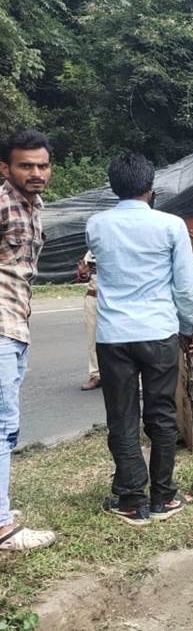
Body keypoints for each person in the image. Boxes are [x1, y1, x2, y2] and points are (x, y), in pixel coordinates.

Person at [87, 152, 193, 526]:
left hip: (113, 335)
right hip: (159, 331)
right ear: (151, 188)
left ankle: (132, 500)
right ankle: (163, 495)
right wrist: (189, 328)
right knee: (161, 414)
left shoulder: (96, 225)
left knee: (121, 417)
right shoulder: (171, 226)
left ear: (113, 186)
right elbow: (184, 287)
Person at [0, 131, 57, 551]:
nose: (36, 173)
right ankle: (2, 528)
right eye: (26, 165)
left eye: (42, 165)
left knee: (7, 425)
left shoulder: (34, 207)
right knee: (2, 426)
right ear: (6, 168)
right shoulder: (2, 202)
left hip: (16, 323)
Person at [77, 251, 101, 391]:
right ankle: (96, 375)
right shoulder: (92, 252)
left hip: (115, 300)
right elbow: (83, 277)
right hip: (93, 297)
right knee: (92, 339)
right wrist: (83, 273)